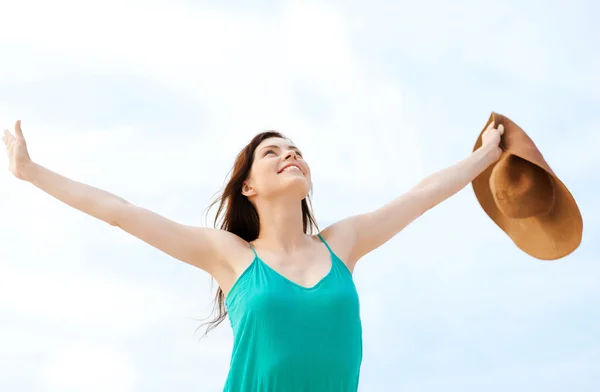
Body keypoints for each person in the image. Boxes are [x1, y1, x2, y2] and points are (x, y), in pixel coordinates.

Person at [3, 120, 504, 391]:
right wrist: (31, 171)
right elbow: (120, 211)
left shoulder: (342, 244)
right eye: (273, 152)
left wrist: (484, 156)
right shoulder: (231, 256)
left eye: (295, 150)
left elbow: (420, 195)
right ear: (248, 187)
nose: (291, 154)